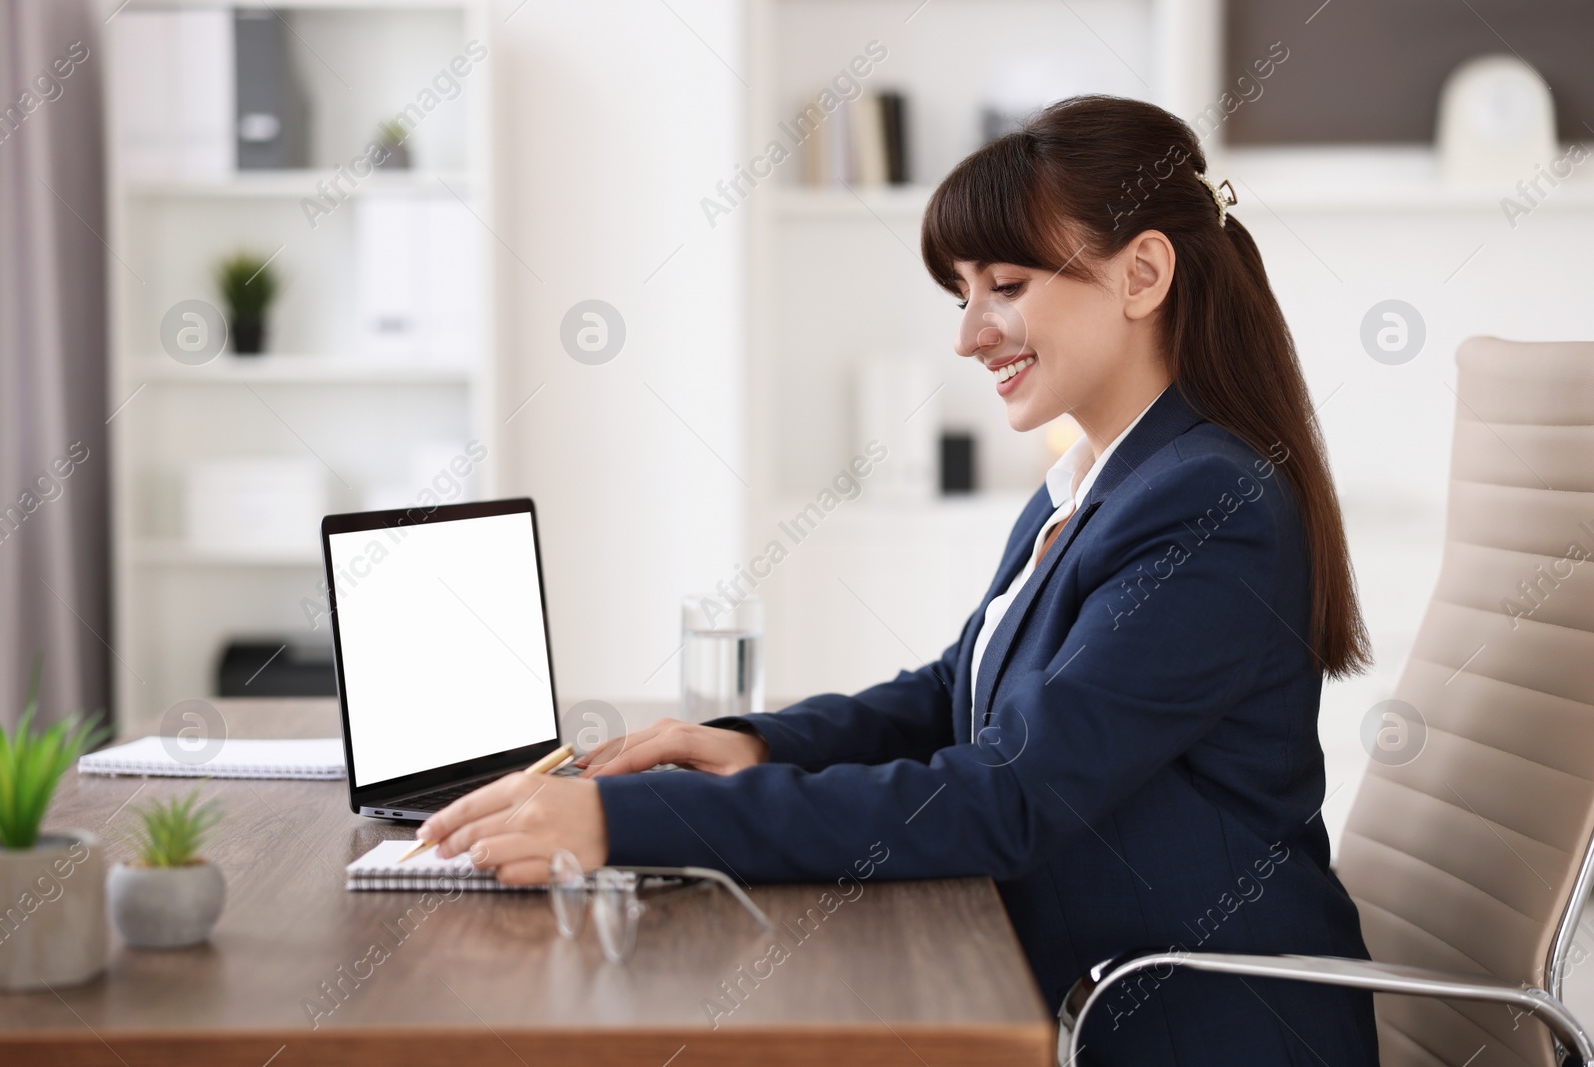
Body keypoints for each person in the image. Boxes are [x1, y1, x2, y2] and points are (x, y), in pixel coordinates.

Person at [417, 95, 1381, 1064]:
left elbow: (1009, 793)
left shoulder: (1208, 507)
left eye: (1003, 284)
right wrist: (752, 744)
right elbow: (951, 693)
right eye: (961, 294)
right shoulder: (1094, 481)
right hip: (1080, 978)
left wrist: (625, 819)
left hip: (1199, 1027)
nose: (969, 335)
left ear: (1141, 273)